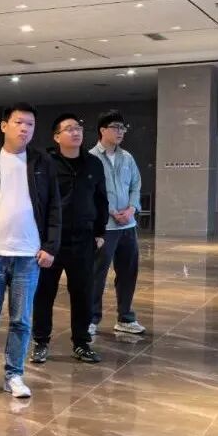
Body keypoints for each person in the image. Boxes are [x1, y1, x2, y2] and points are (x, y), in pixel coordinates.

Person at [0, 102, 61, 399]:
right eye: (19, 122)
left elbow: (54, 208)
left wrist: (50, 246)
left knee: (21, 320)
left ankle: (14, 375)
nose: (25, 128)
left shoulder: (42, 162)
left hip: (28, 256)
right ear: (4, 126)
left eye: (30, 124)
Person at [31, 113, 108, 365]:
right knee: (44, 292)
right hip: (51, 241)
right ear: (56, 137)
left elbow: (101, 199)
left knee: (83, 292)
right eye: (69, 129)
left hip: (84, 239)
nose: (76, 132)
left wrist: (100, 232)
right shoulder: (46, 164)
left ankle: (81, 343)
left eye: (78, 128)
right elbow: (37, 201)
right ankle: (41, 342)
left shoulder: (93, 164)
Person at [89, 109, 145, 336]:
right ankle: (91, 319)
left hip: (128, 226)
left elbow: (136, 185)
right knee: (97, 274)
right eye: (116, 127)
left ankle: (125, 318)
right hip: (105, 227)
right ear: (103, 130)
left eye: (123, 128)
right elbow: (91, 192)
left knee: (128, 272)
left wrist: (131, 209)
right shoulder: (91, 158)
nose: (120, 132)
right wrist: (112, 212)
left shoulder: (127, 157)